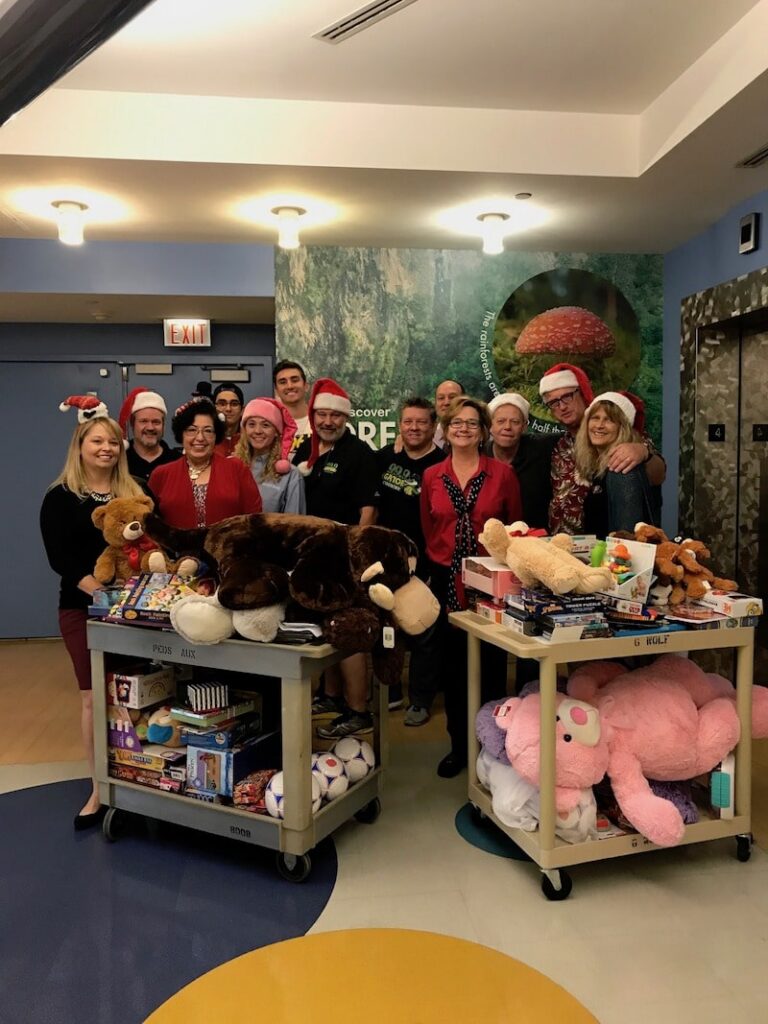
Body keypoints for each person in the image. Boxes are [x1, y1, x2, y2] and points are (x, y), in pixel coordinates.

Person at [40, 397, 146, 830]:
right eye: (97, 440)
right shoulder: (60, 497)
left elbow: (150, 548)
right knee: (93, 697)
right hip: (82, 610)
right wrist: (100, 592)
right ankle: (100, 784)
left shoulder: (136, 491)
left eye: (113, 441)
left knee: (134, 695)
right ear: (80, 445)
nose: (106, 448)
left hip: (138, 613)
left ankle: (141, 777)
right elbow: (60, 557)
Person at [420, 395, 522, 777]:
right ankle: (459, 747)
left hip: (492, 580)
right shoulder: (432, 475)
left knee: (493, 666)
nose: (463, 428)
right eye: (456, 423)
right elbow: (430, 529)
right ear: (445, 431)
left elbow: (514, 528)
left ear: (483, 431)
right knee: (454, 669)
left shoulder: (502, 474)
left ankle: (494, 750)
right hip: (447, 581)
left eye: (472, 423)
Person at [294, 378, 380, 739]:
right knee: (324, 627)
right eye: (322, 414)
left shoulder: (360, 454)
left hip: (344, 557)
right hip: (308, 556)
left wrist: (353, 559)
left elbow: (369, 511)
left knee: (348, 631)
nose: (327, 421)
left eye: (334, 415)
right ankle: (331, 697)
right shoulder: (305, 450)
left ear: (345, 418)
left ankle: (358, 710)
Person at [376, 397, 446, 725]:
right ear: (400, 425)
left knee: (424, 634)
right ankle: (389, 690)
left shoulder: (442, 466)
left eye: (421, 422)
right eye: (408, 421)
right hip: (385, 561)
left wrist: (430, 565)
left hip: (425, 563)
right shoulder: (384, 460)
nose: (414, 427)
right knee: (385, 630)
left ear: (433, 427)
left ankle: (420, 699)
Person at [539, 363, 665, 535]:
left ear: (582, 393)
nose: (562, 406)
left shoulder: (631, 442)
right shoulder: (558, 446)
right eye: (554, 403)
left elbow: (658, 474)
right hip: (564, 548)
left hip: (607, 548)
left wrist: (644, 452)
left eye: (567, 397)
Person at [149, 395, 262, 528]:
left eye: (208, 431)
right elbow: (151, 525)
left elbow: (255, 520)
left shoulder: (236, 469)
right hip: (174, 549)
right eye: (192, 430)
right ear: (181, 435)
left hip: (229, 547)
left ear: (216, 436)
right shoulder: (161, 474)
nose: (200, 438)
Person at [575, 392, 660, 536]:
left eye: (609, 420)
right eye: (595, 418)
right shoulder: (598, 465)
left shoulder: (622, 467)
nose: (599, 425)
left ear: (622, 427)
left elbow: (626, 536)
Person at [486, 392, 551, 530]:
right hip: (490, 540)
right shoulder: (479, 455)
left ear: (524, 426)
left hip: (535, 540)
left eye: (515, 422)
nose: (507, 427)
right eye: (500, 421)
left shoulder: (542, 448)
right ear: (490, 425)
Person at [236, 397, 306, 514]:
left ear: (276, 432)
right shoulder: (232, 466)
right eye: (251, 424)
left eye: (265, 425)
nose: (257, 431)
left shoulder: (291, 475)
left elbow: (295, 525)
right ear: (244, 430)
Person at [118, 387, 180, 482]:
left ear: (164, 425)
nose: (150, 427)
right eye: (143, 421)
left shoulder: (178, 462)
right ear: (132, 424)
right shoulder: (119, 460)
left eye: (156, 422)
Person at [273, 360, 311, 455]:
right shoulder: (270, 425)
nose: (289, 386)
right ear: (276, 390)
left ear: (306, 386)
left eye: (294, 380)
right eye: (283, 382)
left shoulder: (324, 422)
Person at [212, 382, 244, 458]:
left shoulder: (251, 440)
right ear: (214, 408)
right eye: (222, 404)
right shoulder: (205, 439)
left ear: (242, 410)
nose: (228, 409)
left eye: (234, 404)